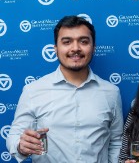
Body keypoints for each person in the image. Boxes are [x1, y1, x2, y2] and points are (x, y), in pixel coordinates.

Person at [6, 15, 124, 163]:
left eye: (83, 41)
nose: (75, 48)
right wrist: (20, 146)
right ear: (56, 48)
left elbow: (116, 141)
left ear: (93, 48)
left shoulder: (111, 92)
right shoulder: (32, 90)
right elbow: (14, 136)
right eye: (67, 42)